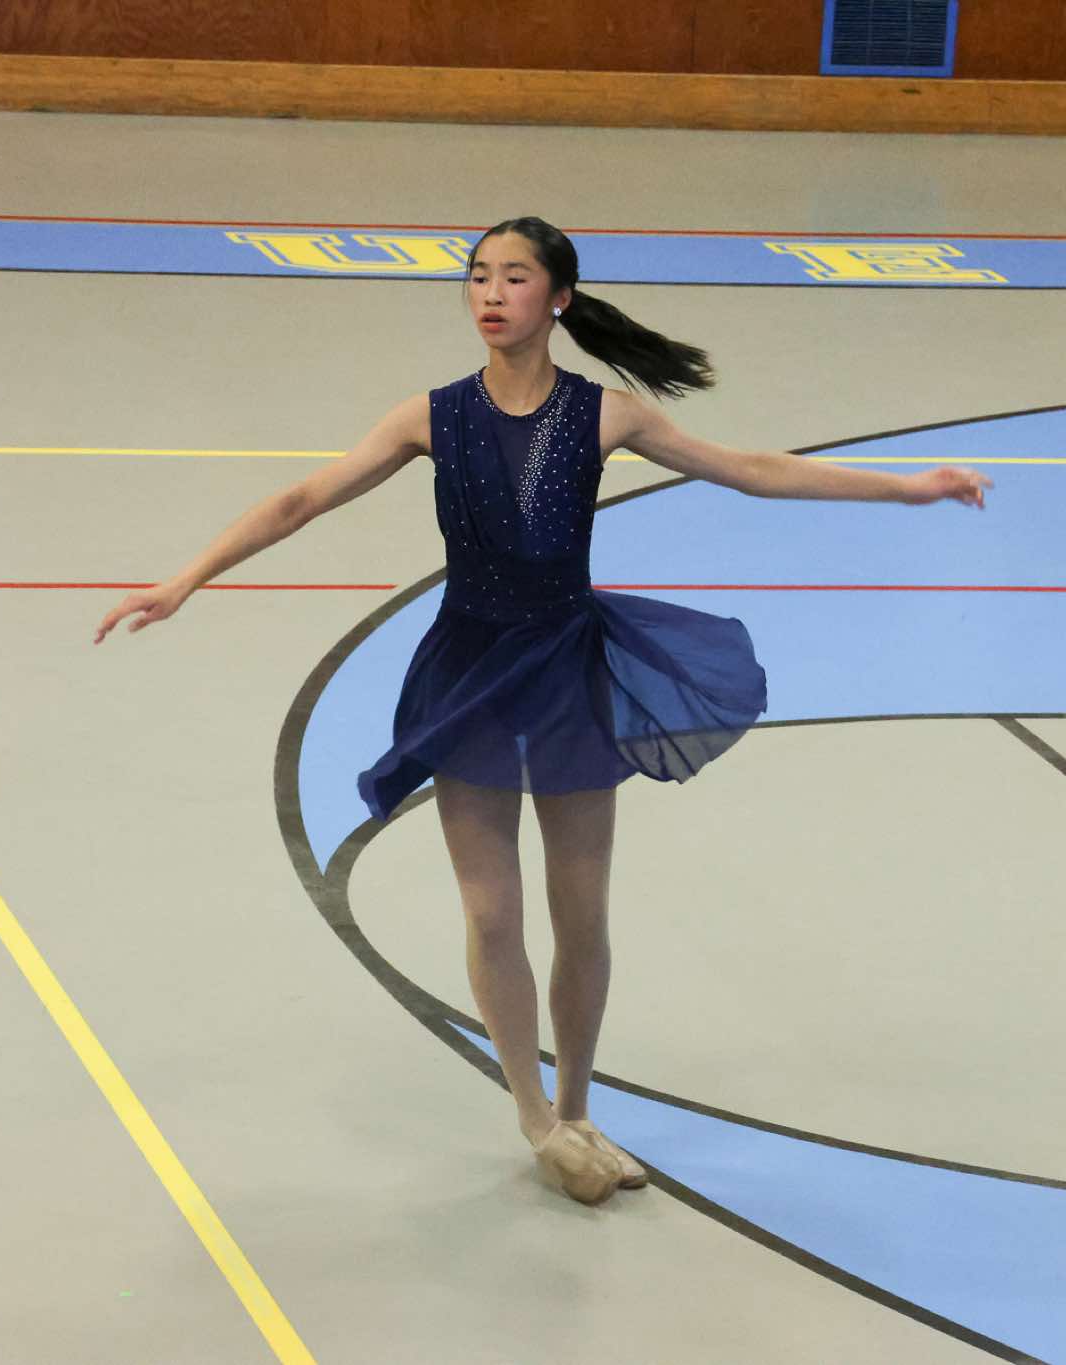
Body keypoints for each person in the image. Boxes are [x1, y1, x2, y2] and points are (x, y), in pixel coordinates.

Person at [94, 217, 992, 1206]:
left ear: (557, 298)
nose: (490, 293)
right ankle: (534, 1116)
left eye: (514, 277)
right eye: (479, 276)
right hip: (469, 675)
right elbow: (301, 499)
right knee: (492, 911)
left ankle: (577, 1109)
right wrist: (185, 578)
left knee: (581, 913)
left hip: (569, 669)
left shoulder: (608, 414)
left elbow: (752, 468)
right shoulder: (429, 416)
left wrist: (907, 490)